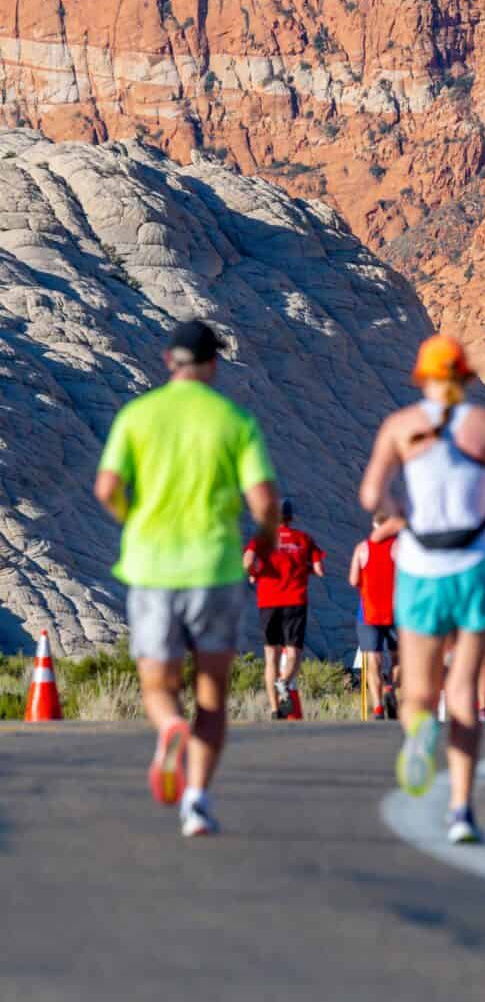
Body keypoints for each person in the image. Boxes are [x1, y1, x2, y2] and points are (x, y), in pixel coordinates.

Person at [93, 320, 280, 839]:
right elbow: (264, 503)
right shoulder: (234, 421)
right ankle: (196, 802)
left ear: (167, 360)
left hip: (153, 569)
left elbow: (106, 487)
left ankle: (169, 728)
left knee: (159, 686)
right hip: (215, 569)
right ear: (213, 363)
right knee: (212, 694)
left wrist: (135, 520)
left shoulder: (138, 415)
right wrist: (263, 543)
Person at [359, 333, 485, 845]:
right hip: (474, 563)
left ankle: (418, 731)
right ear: (467, 377)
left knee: (419, 688)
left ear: (424, 377)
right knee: (464, 689)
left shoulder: (401, 427)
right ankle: (460, 809)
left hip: (418, 565)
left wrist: (403, 513)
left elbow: (371, 494)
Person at [245, 498, 324, 719]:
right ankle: (284, 682)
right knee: (294, 654)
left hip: (268, 602)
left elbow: (247, 561)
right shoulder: (303, 539)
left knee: (271, 657)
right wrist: (302, 569)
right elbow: (319, 570)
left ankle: (273, 709)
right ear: (291, 517)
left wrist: (255, 573)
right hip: (295, 601)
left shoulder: (262, 539)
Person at [350, 510, 404, 719]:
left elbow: (354, 580)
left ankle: (378, 706)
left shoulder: (362, 549)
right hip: (395, 612)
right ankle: (391, 688)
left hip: (368, 612)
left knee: (373, 659)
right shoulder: (399, 549)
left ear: (374, 524)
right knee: (397, 658)